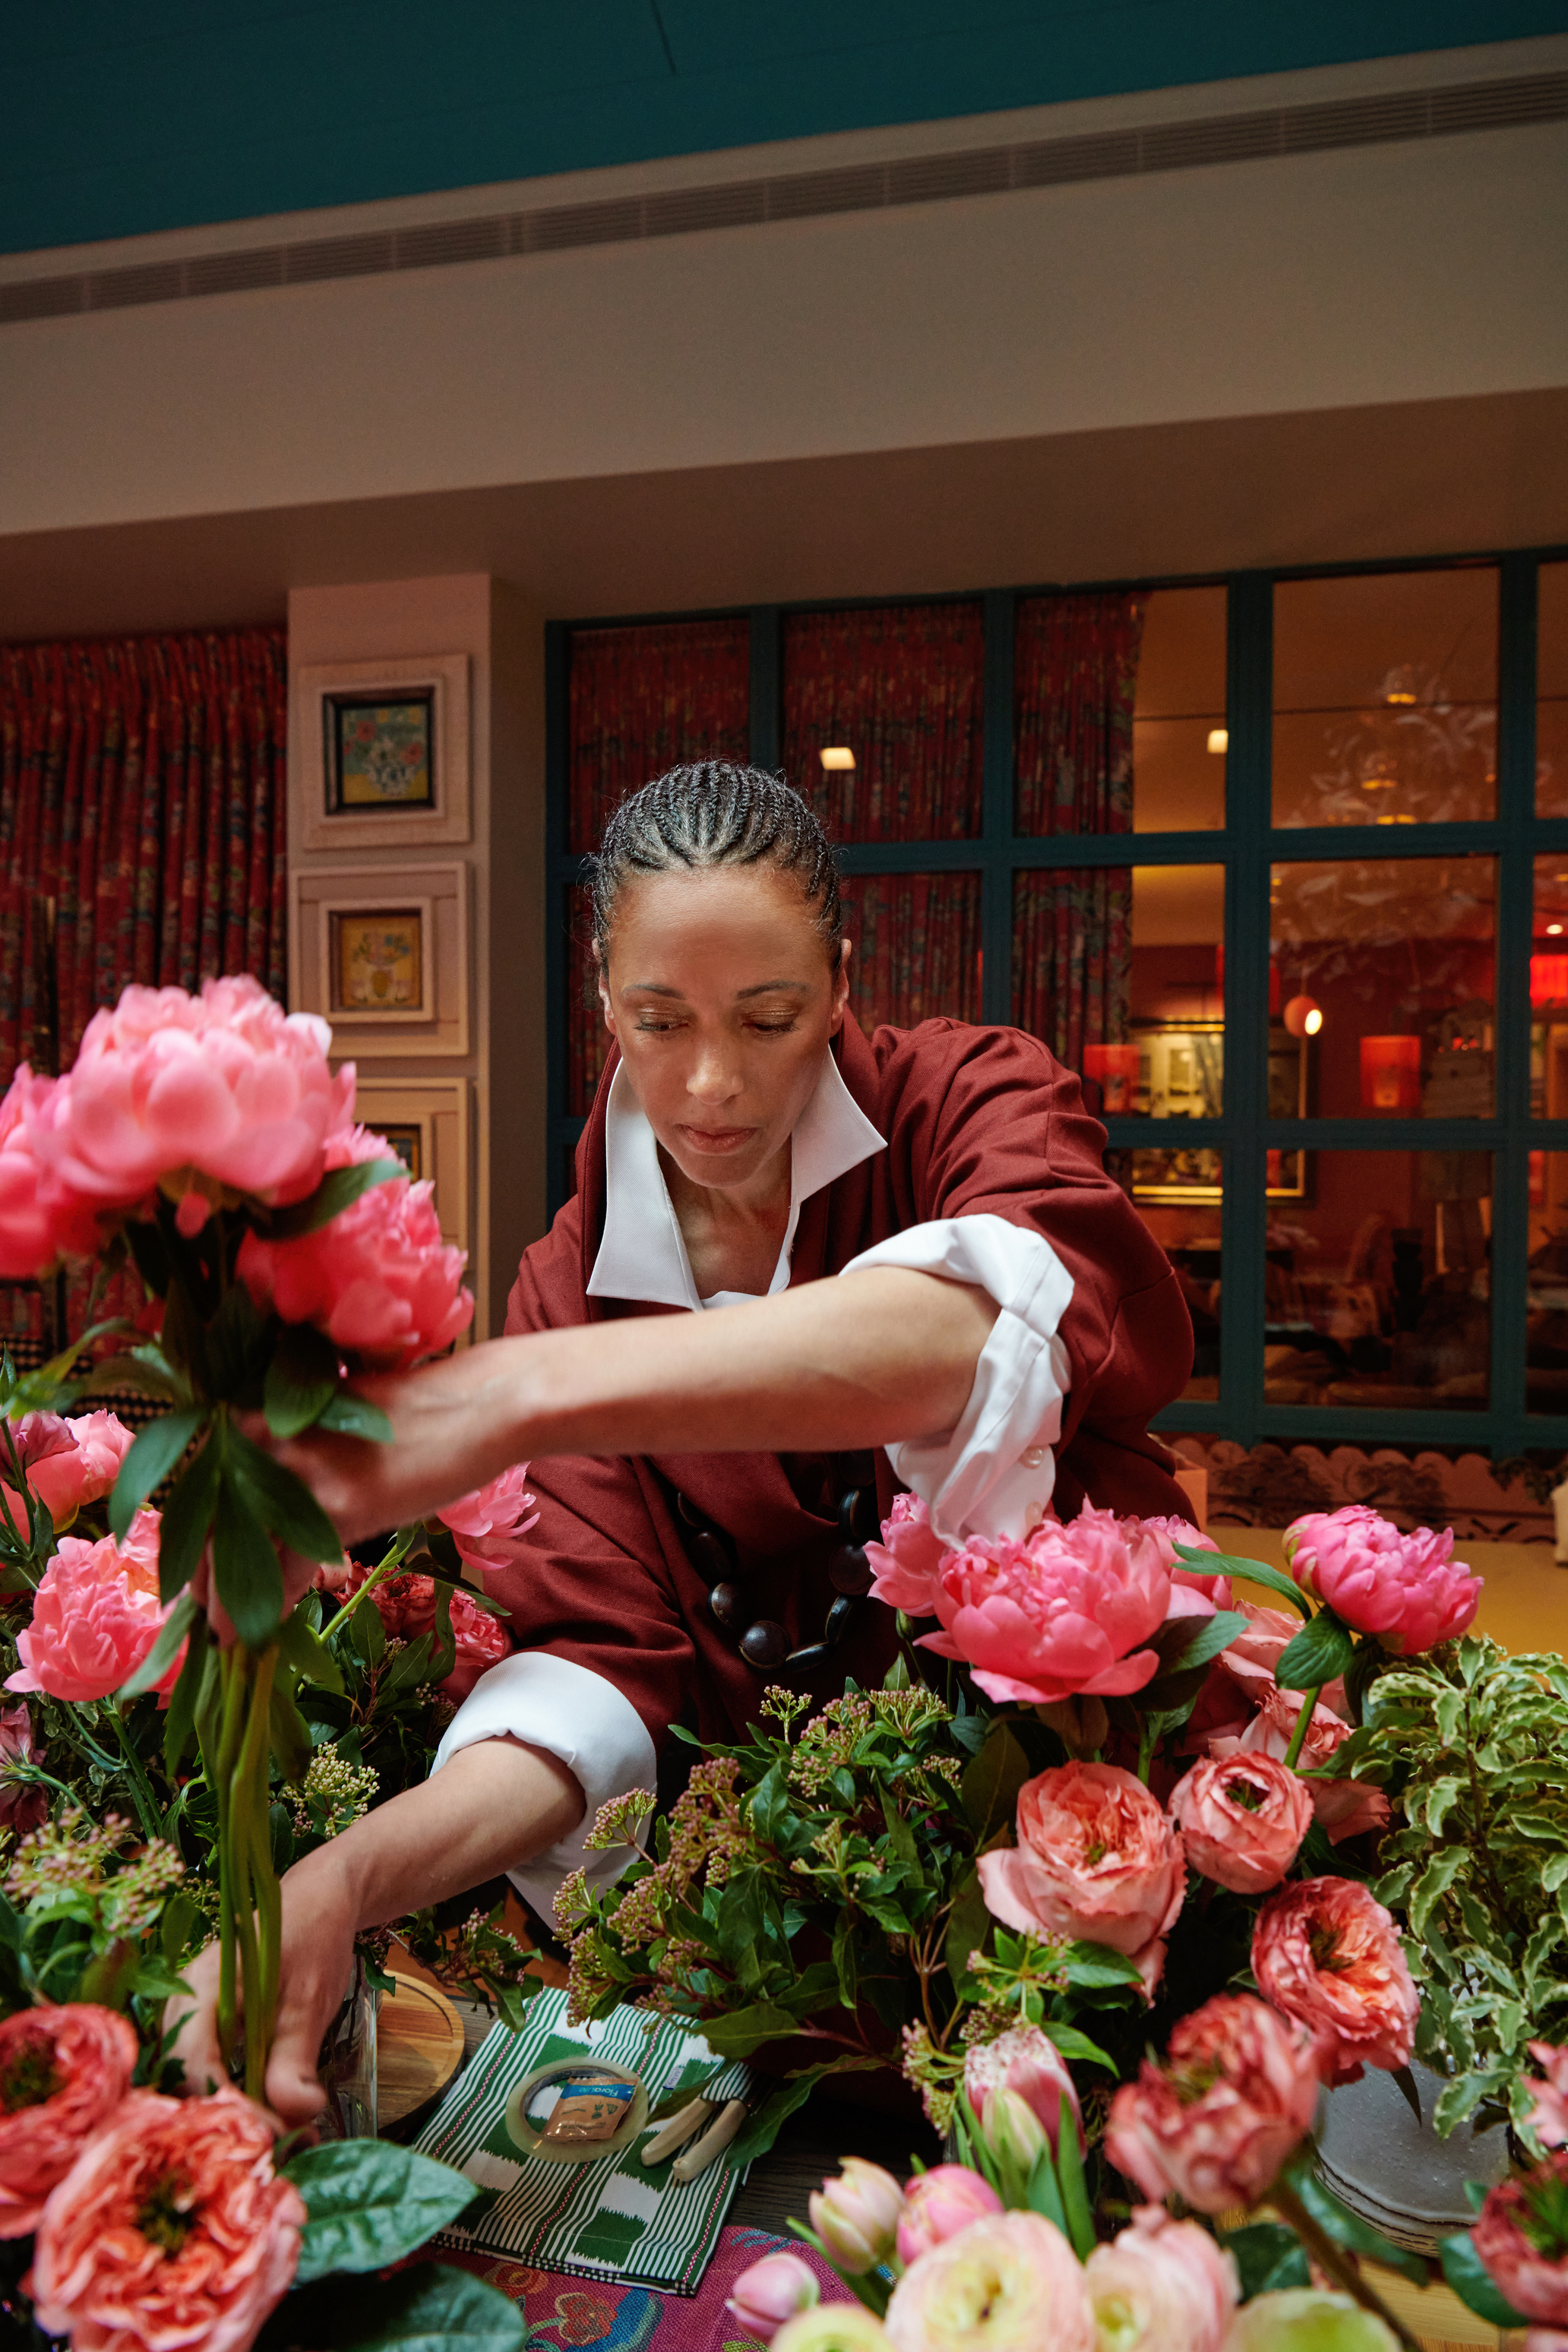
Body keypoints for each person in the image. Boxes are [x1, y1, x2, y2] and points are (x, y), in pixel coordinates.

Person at [173, 763, 1193, 2123]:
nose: (711, 1086)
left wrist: (525, 1389)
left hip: (1067, 1846)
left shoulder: (971, 1100)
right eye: (659, 1021)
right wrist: (341, 1883)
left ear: (840, 982)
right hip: (778, 1948)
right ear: (602, 1000)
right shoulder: (574, 1278)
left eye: (768, 1019)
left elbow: (980, 1333)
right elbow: (588, 1686)